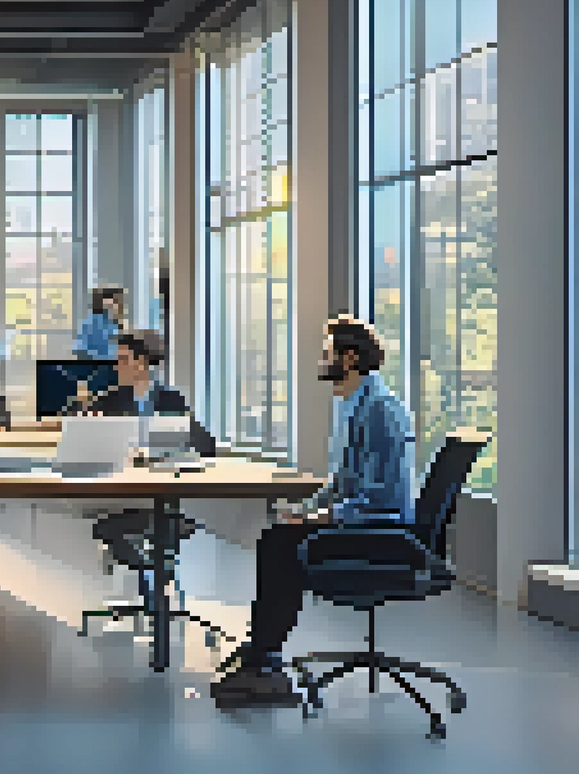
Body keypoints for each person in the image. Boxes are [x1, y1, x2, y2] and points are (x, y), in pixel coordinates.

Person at [211, 315, 414, 707]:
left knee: (280, 545)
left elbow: (382, 499)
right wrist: (305, 511)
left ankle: (264, 662)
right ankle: (261, 657)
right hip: (364, 523)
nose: (322, 361)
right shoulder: (355, 405)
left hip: (383, 534)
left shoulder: (381, 411)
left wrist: (324, 519)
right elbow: (341, 483)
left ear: (350, 358)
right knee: (278, 534)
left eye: (327, 354)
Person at [82, 330, 217, 609]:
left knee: (160, 533)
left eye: (122, 359)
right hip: (122, 498)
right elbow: (90, 447)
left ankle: (153, 590)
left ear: (141, 363)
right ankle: (154, 587)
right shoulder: (108, 401)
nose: (116, 366)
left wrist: (173, 445)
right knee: (110, 529)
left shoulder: (170, 401)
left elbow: (206, 445)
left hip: (164, 497)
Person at [73, 286, 125, 359]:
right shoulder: (93, 321)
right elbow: (81, 346)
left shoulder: (115, 323)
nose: (114, 306)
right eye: (113, 302)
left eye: (116, 302)